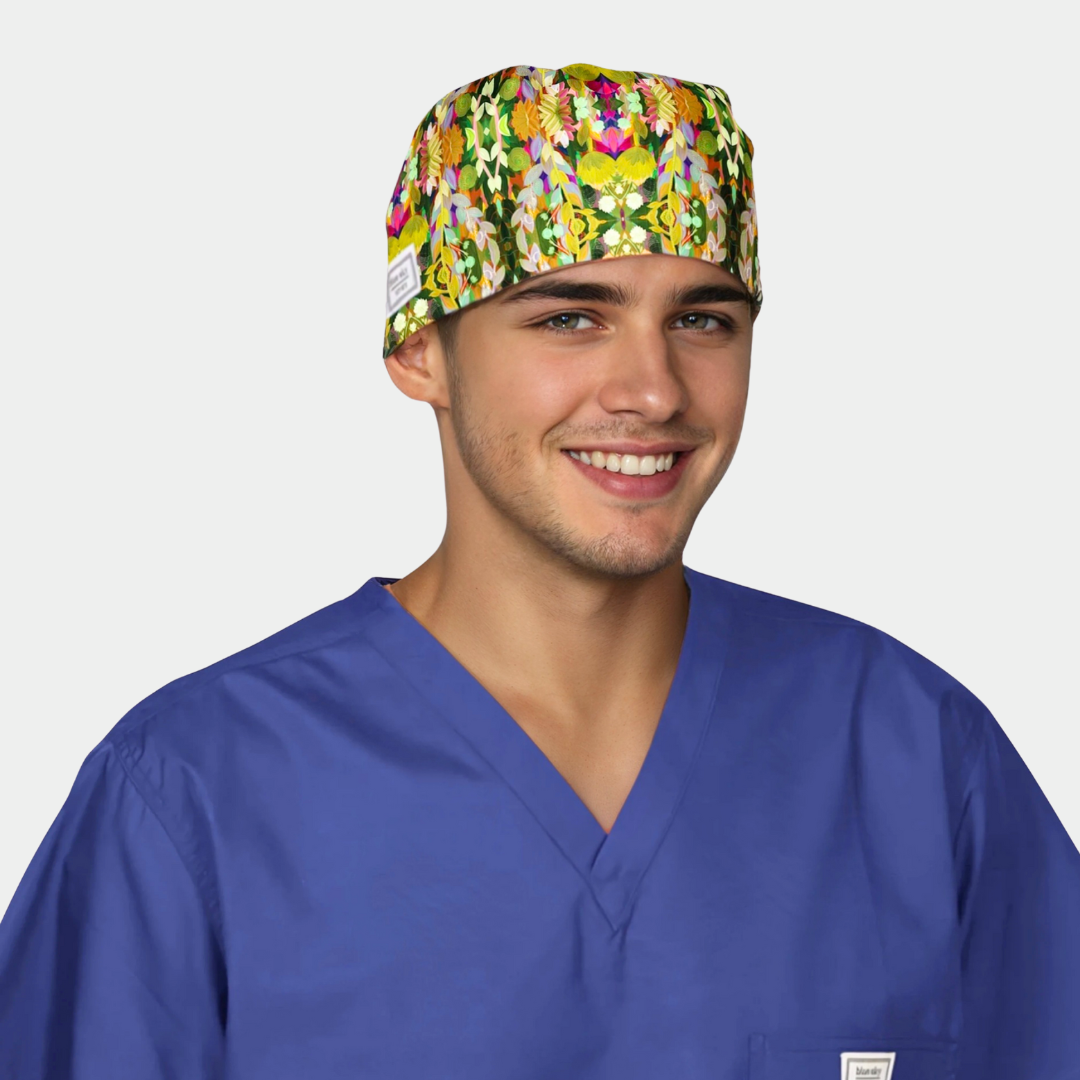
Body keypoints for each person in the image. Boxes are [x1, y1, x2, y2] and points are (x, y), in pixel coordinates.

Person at [0, 61, 1077, 1080]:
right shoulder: (198, 789)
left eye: (703, 319)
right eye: (570, 317)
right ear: (420, 350)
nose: (653, 390)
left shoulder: (911, 757)